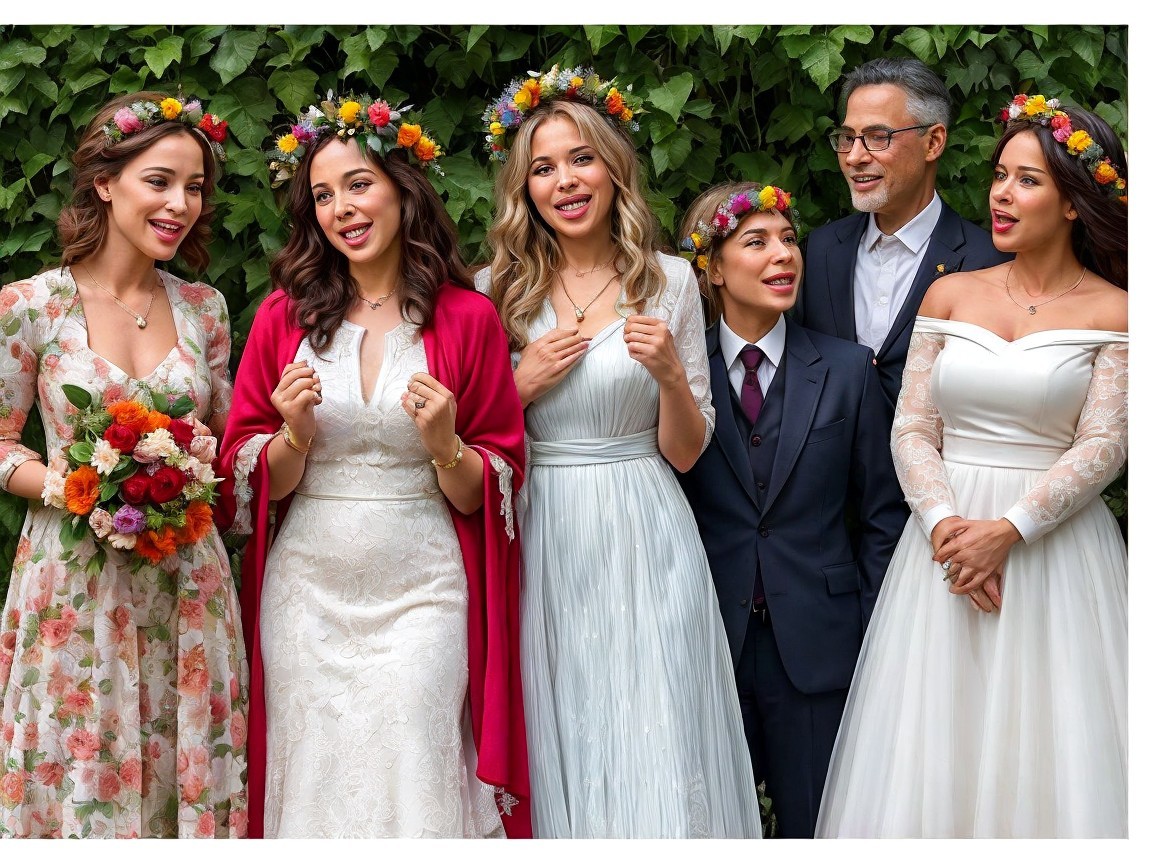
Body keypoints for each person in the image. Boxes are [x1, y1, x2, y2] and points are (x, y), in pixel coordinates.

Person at [215, 93, 530, 839]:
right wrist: (291, 435)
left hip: (424, 590)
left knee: (415, 749)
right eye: (322, 195)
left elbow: (490, 486)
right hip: (307, 591)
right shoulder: (280, 318)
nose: (341, 208)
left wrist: (447, 443)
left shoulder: (467, 318)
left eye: (357, 184)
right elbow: (246, 477)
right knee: (316, 761)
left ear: (403, 188)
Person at [816, 95, 1128, 837]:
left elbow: (1104, 445)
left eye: (1026, 180)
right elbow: (914, 427)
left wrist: (1008, 532)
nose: (1000, 193)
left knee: (1052, 743)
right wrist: (951, 528)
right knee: (930, 743)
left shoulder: (1117, 312)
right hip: (942, 554)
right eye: (998, 175)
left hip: (1052, 555)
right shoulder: (950, 293)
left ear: (1075, 204)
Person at [478, 65, 760, 838]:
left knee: (655, 717)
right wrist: (518, 385)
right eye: (542, 168)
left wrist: (672, 374)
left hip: (645, 523)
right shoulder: (494, 290)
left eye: (581, 159)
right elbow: (470, 441)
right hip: (542, 531)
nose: (564, 181)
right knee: (562, 713)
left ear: (613, 168)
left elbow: (687, 452)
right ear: (523, 187)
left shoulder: (667, 279)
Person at [0, 92, 247, 838]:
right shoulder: (31, 305)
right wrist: (83, 490)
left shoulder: (206, 309)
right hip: (73, 587)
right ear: (106, 183)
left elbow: (221, 444)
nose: (181, 204)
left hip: (188, 586)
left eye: (196, 188)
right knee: (79, 778)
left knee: (183, 774)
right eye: (160, 181)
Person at [675, 182, 906, 837]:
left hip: (820, 646)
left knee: (821, 827)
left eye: (788, 240)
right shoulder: (676, 376)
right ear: (712, 269)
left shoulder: (846, 369)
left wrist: (865, 628)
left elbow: (884, 516)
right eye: (757, 242)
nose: (783, 255)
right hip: (705, 640)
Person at [796, 57, 1009, 412]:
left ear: (933, 142)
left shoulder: (988, 261)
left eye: (878, 137)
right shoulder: (819, 249)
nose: (854, 157)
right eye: (848, 138)